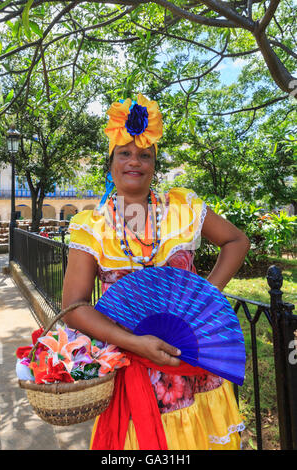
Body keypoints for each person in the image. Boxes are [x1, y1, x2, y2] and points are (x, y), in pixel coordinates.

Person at [62, 93, 250, 450]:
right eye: (125, 153)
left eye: (144, 155)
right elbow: (74, 306)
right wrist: (136, 343)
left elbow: (236, 242)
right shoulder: (91, 227)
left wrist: (207, 296)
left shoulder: (182, 209)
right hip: (132, 372)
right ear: (111, 163)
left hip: (195, 370)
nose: (135, 162)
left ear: (154, 164)